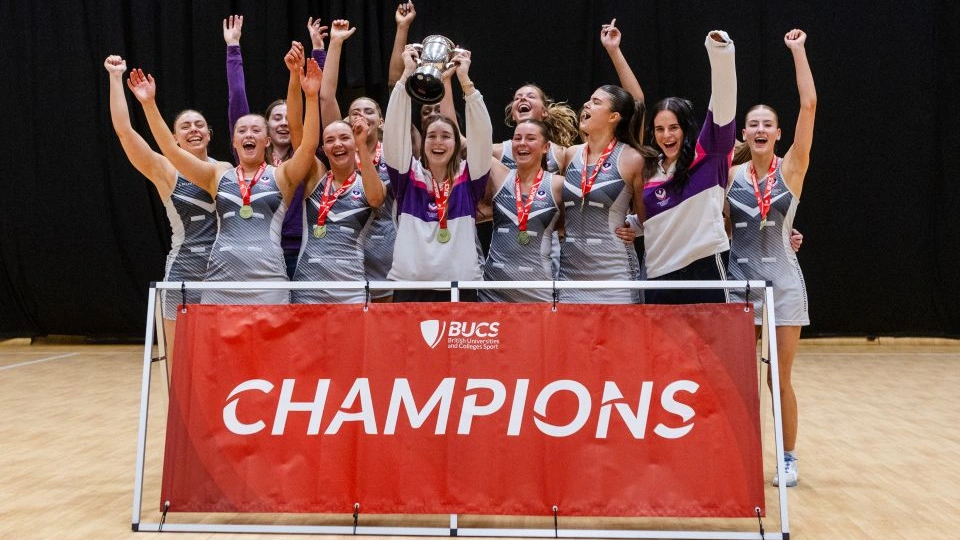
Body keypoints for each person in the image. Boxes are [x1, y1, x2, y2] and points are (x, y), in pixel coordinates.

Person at [128, 57, 323, 305]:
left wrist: (312, 96)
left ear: (268, 140)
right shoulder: (217, 175)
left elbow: (308, 147)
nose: (248, 134)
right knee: (217, 346)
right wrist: (148, 103)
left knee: (266, 345)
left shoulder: (282, 175)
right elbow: (171, 150)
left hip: (269, 283)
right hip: (220, 284)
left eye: (256, 130)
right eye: (242, 131)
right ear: (234, 142)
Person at [727, 29, 816, 488]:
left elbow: (809, 107)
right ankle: (736, 457)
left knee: (776, 380)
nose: (759, 130)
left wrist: (797, 51)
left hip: (782, 283)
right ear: (744, 132)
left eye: (767, 124)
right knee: (739, 380)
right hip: (739, 285)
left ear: (778, 134)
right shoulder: (728, 175)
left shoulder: (792, 169)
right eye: (753, 124)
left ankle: (786, 457)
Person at [104, 55, 229, 374]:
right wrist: (116, 78)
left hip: (225, 274)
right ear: (173, 138)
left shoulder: (225, 170)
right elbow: (124, 132)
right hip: (183, 275)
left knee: (221, 360)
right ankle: (181, 424)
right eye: (185, 126)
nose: (194, 129)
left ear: (210, 134)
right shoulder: (166, 171)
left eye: (199, 124)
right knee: (179, 365)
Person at [383, 45, 492, 302]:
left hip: (459, 290)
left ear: (457, 144)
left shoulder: (469, 178)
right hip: (409, 289)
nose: (438, 142)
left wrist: (466, 83)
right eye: (431, 136)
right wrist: (406, 76)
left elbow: (483, 138)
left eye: (446, 136)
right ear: (422, 142)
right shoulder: (407, 178)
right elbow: (393, 134)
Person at [223, 14, 328, 279]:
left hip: (299, 251)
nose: (283, 123)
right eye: (276, 118)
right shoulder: (249, 154)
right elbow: (237, 103)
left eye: (287, 117)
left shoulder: (303, 156)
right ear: (266, 130)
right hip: (250, 250)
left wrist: (318, 53)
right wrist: (233, 48)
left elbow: (317, 102)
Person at [640, 31, 737, 304]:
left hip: (703, 264)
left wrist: (720, 52)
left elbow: (724, 105)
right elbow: (654, 216)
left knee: (711, 346)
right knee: (662, 349)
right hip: (659, 271)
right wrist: (632, 226)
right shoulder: (649, 170)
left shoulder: (709, 155)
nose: (666, 135)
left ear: (686, 128)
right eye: (659, 129)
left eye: (674, 127)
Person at [320, 19, 397, 302]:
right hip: (345, 250)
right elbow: (326, 97)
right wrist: (336, 44)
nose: (361, 116)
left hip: (385, 248)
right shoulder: (342, 151)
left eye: (369, 110)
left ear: (382, 120)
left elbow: (395, 88)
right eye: (354, 111)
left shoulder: (394, 153)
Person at [555, 84, 651, 304]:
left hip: (615, 277)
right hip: (570, 277)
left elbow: (649, 218)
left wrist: (633, 227)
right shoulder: (570, 154)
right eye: (589, 100)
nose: (587, 105)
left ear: (614, 117)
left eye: (597, 102)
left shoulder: (632, 159)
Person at [480, 120, 563, 302]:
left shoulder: (558, 185)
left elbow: (572, 227)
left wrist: (629, 227)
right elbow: (470, 144)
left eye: (531, 138)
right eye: (517, 138)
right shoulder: (499, 175)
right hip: (492, 294)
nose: (522, 143)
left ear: (545, 147)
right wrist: (469, 94)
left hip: (538, 295)